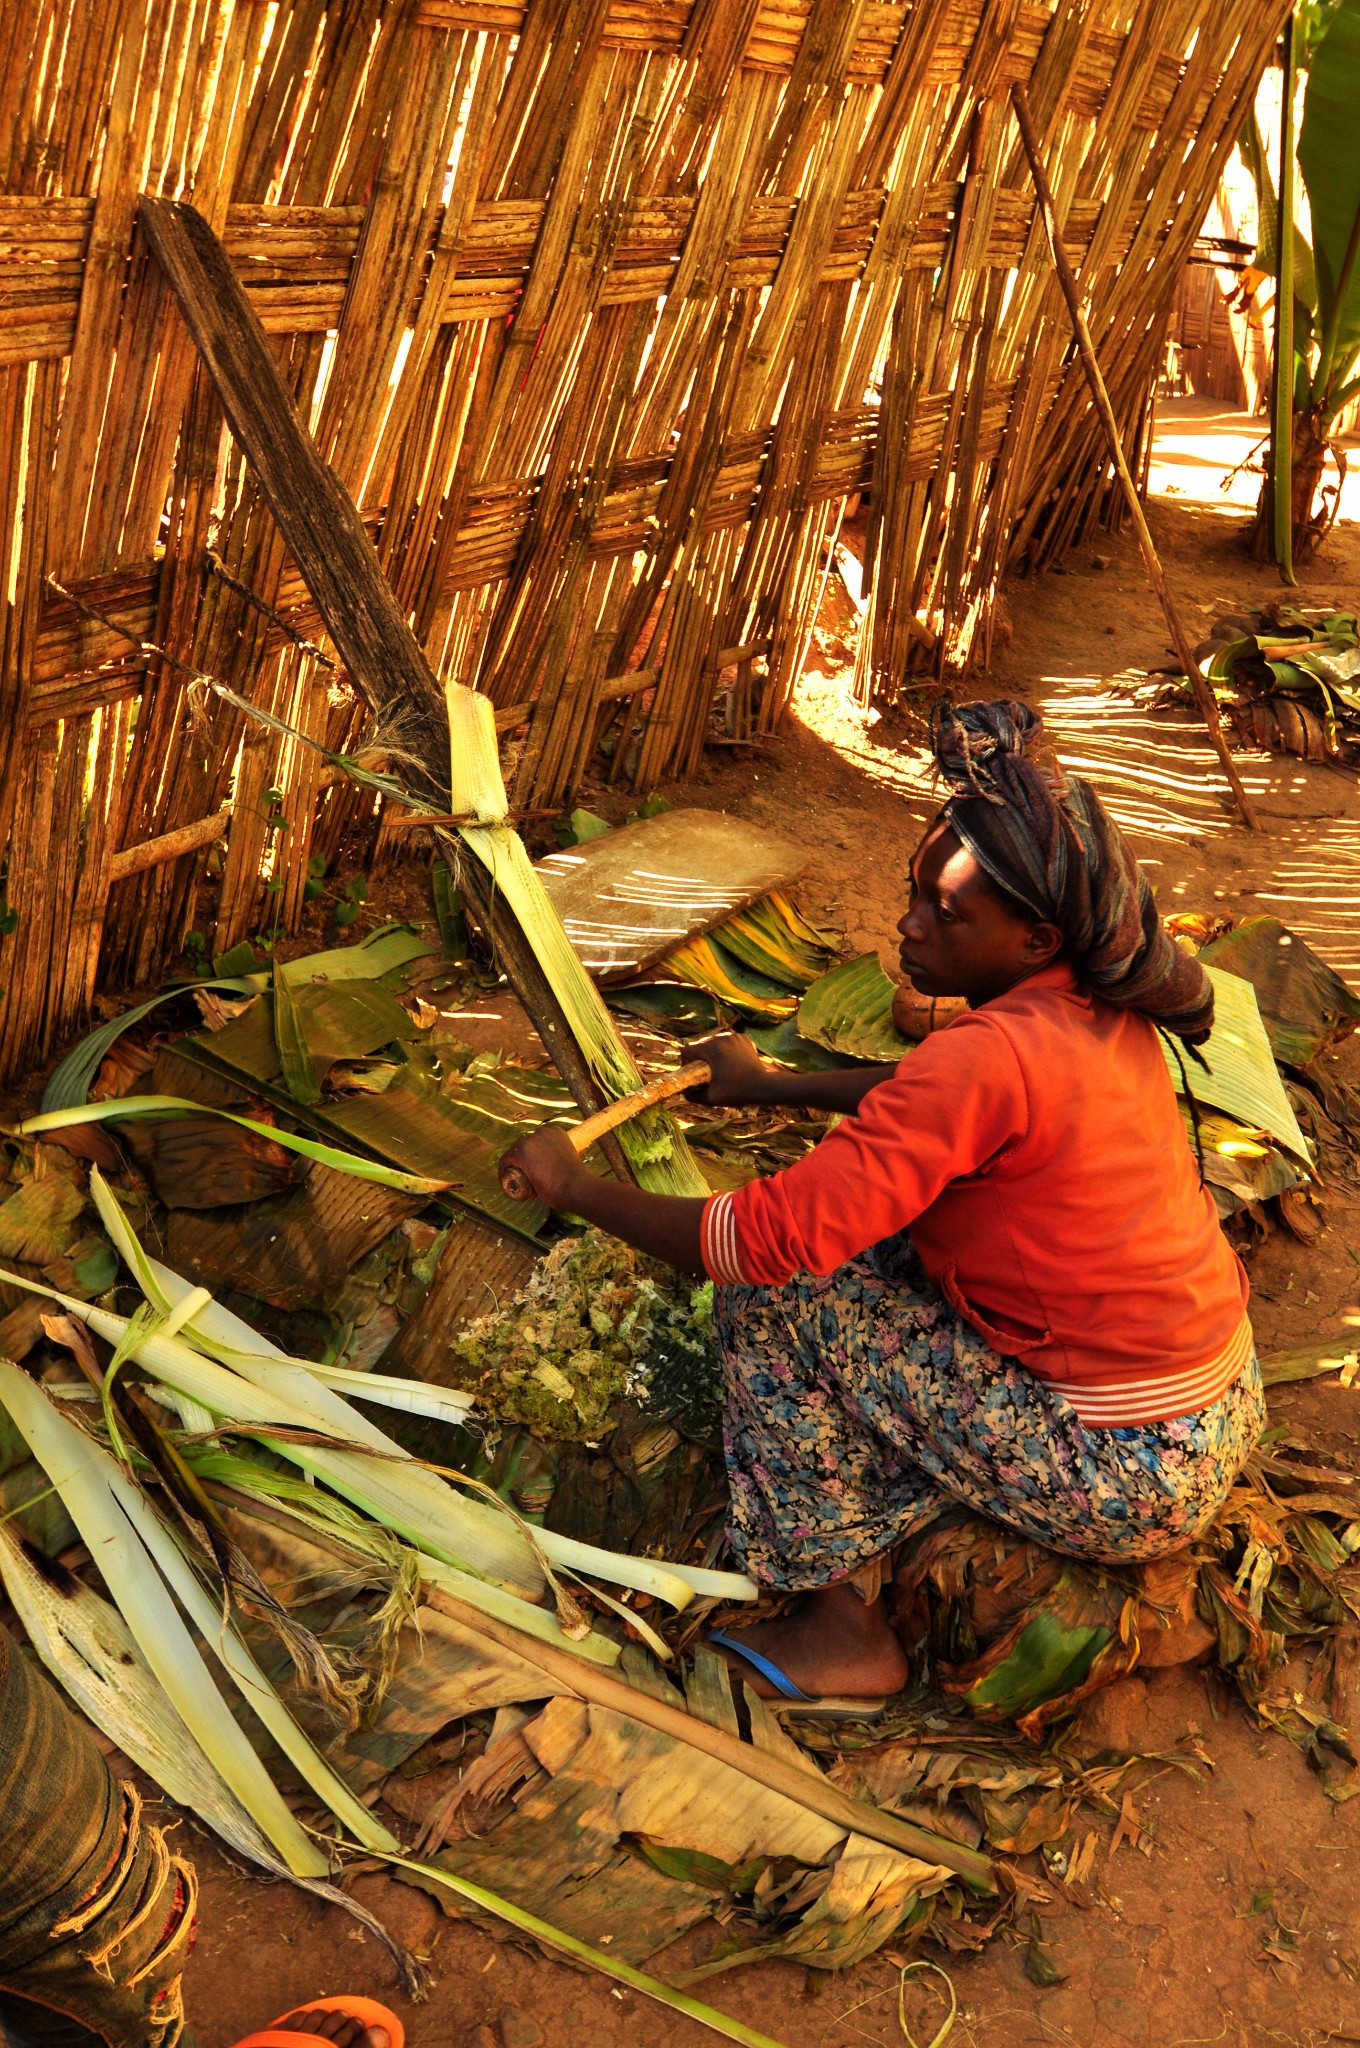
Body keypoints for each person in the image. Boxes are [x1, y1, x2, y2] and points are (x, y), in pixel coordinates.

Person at [500, 699, 1262, 1713]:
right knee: (884, 1242)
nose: (908, 921)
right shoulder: (1089, 1006)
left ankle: (839, 1627)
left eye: (947, 912)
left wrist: (573, 1185)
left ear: (1034, 935)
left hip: (1123, 1468)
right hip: (1208, 1407)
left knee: (776, 1300)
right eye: (915, 891)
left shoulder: (986, 1056)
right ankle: (921, 1483)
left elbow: (757, 1242)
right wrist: (770, 1086)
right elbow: (936, 1107)